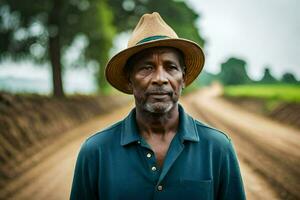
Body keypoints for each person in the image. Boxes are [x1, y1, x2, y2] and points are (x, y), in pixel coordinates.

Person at [70, 12, 246, 200]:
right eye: (147, 67)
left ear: (183, 78)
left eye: (171, 67)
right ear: (130, 80)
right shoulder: (96, 152)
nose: (160, 79)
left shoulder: (218, 148)